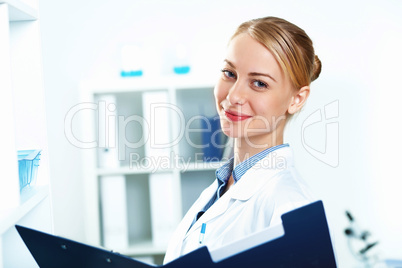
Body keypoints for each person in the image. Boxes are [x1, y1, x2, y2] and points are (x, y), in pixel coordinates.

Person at [163, 16, 322, 264]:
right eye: (229, 73)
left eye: (259, 83)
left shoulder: (291, 206)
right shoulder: (223, 185)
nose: (234, 94)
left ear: (297, 99)